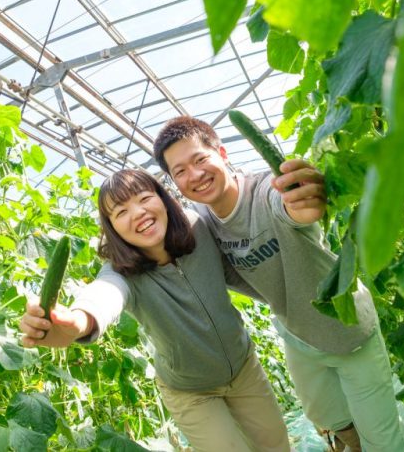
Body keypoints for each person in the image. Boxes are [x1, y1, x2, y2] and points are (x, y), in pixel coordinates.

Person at [152, 116, 404, 452]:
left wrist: (304, 204)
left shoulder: (266, 191)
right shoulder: (203, 225)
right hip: (297, 332)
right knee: (326, 415)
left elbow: (290, 207)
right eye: (180, 171)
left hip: (346, 327)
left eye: (200, 159)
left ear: (222, 153)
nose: (195, 175)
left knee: (384, 441)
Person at [19, 169, 290, 452]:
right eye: (121, 212)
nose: (137, 213)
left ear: (163, 199)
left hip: (244, 368)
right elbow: (104, 294)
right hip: (191, 393)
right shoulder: (120, 273)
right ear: (112, 227)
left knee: (277, 445)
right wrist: (77, 321)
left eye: (145, 198)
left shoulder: (199, 228)